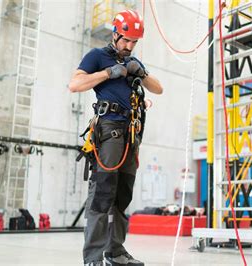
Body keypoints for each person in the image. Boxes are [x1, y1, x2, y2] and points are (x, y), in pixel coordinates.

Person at [69, 9, 163, 266]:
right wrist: (108, 73)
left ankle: (116, 252)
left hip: (131, 135)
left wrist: (141, 74)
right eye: (126, 40)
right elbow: (75, 84)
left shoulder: (134, 63)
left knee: (122, 197)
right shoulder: (97, 56)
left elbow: (159, 88)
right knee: (102, 196)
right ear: (115, 34)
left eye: (134, 42)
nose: (130, 46)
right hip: (109, 131)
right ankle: (93, 258)